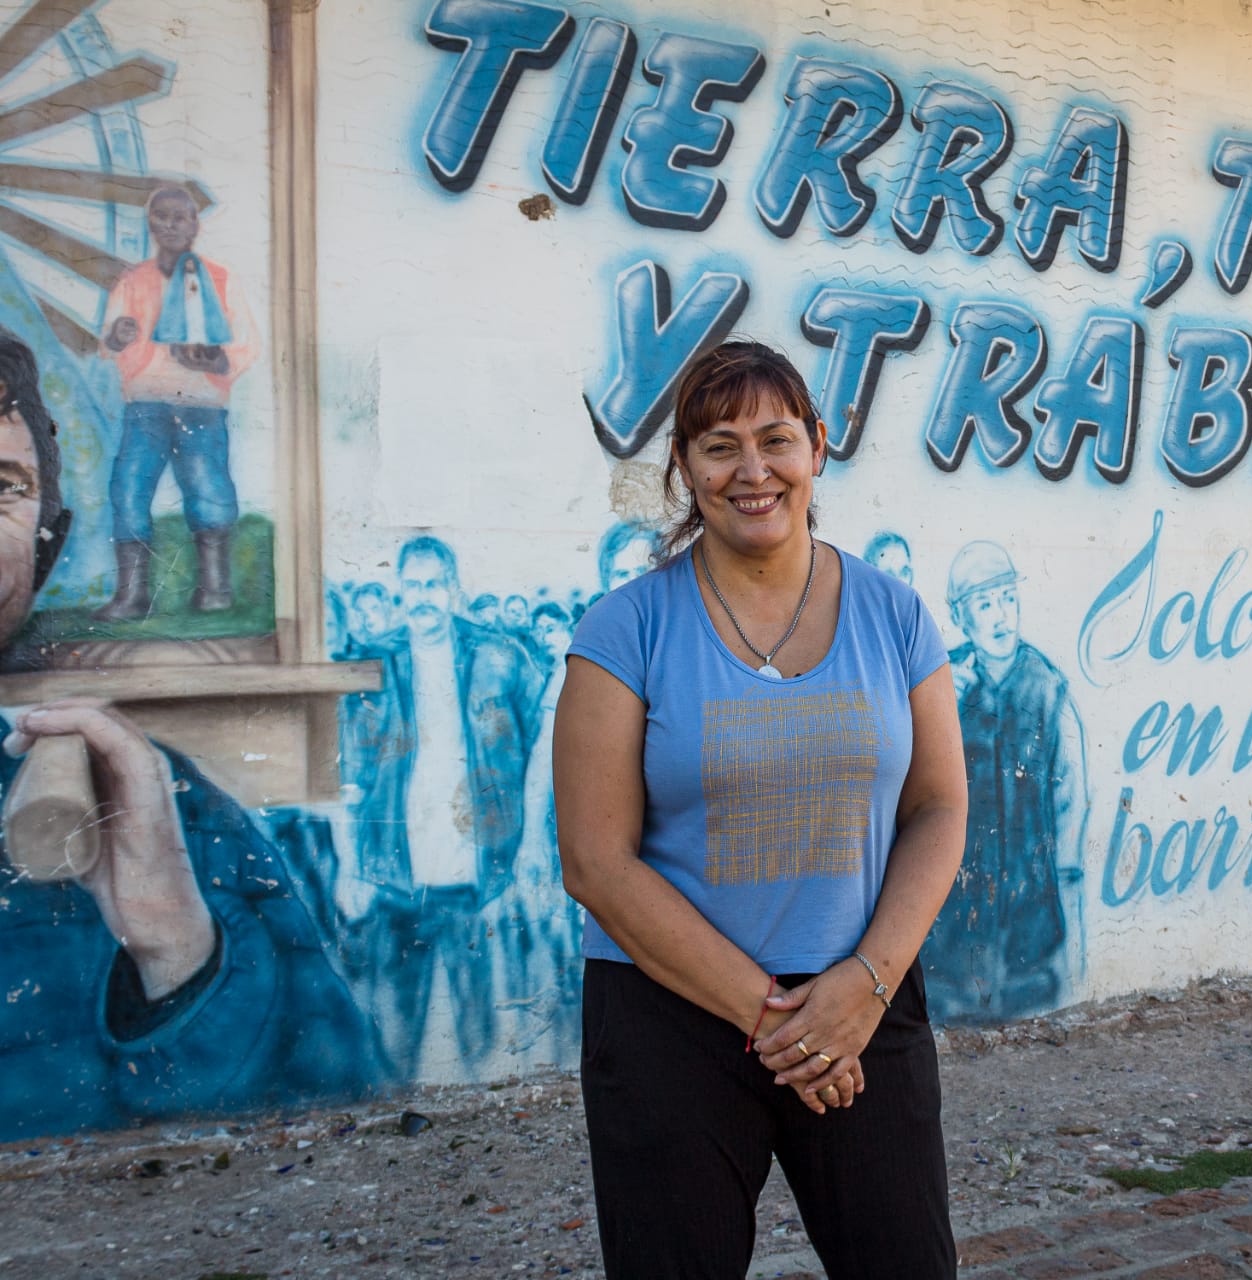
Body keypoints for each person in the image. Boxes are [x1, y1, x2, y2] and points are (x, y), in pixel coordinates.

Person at [554, 340, 968, 1278]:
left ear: (819, 447)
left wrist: (862, 988)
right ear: (683, 469)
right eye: (718, 446)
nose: (753, 471)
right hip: (671, 1021)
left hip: (861, 1002)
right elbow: (595, 860)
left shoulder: (896, 616)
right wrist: (782, 1022)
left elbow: (939, 809)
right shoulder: (624, 630)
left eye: (776, 439)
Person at [0, 329, 376, 1139]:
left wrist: (179, 956)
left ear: (49, 537)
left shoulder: (160, 807)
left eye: (4, 486)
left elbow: (340, 1109)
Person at [338, 535, 538, 1079]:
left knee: (481, 1034)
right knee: (396, 1033)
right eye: (413, 585)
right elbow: (350, 776)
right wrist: (350, 867)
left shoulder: (501, 657)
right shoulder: (371, 664)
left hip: (476, 876)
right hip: (397, 879)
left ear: (453, 588)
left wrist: (525, 851)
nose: (424, 596)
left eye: (434, 584)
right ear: (400, 589)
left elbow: (541, 744)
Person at [921, 540, 1089, 1023]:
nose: (1000, 616)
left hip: (1028, 904)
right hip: (954, 908)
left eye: (1007, 599)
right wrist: (934, 707)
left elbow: (1069, 794)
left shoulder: (1046, 686)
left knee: (1029, 1003)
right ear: (961, 617)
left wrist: (1067, 874)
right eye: (985, 603)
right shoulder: (941, 682)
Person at [95, 186, 260, 619]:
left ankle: (216, 590)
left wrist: (214, 356)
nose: (169, 225)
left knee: (209, 492)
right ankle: (132, 597)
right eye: (160, 217)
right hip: (146, 403)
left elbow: (246, 341)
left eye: (178, 217)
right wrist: (120, 336)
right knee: (129, 491)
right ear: (150, 224)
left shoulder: (220, 278)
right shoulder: (132, 281)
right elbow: (108, 341)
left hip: (202, 405)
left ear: (195, 224)